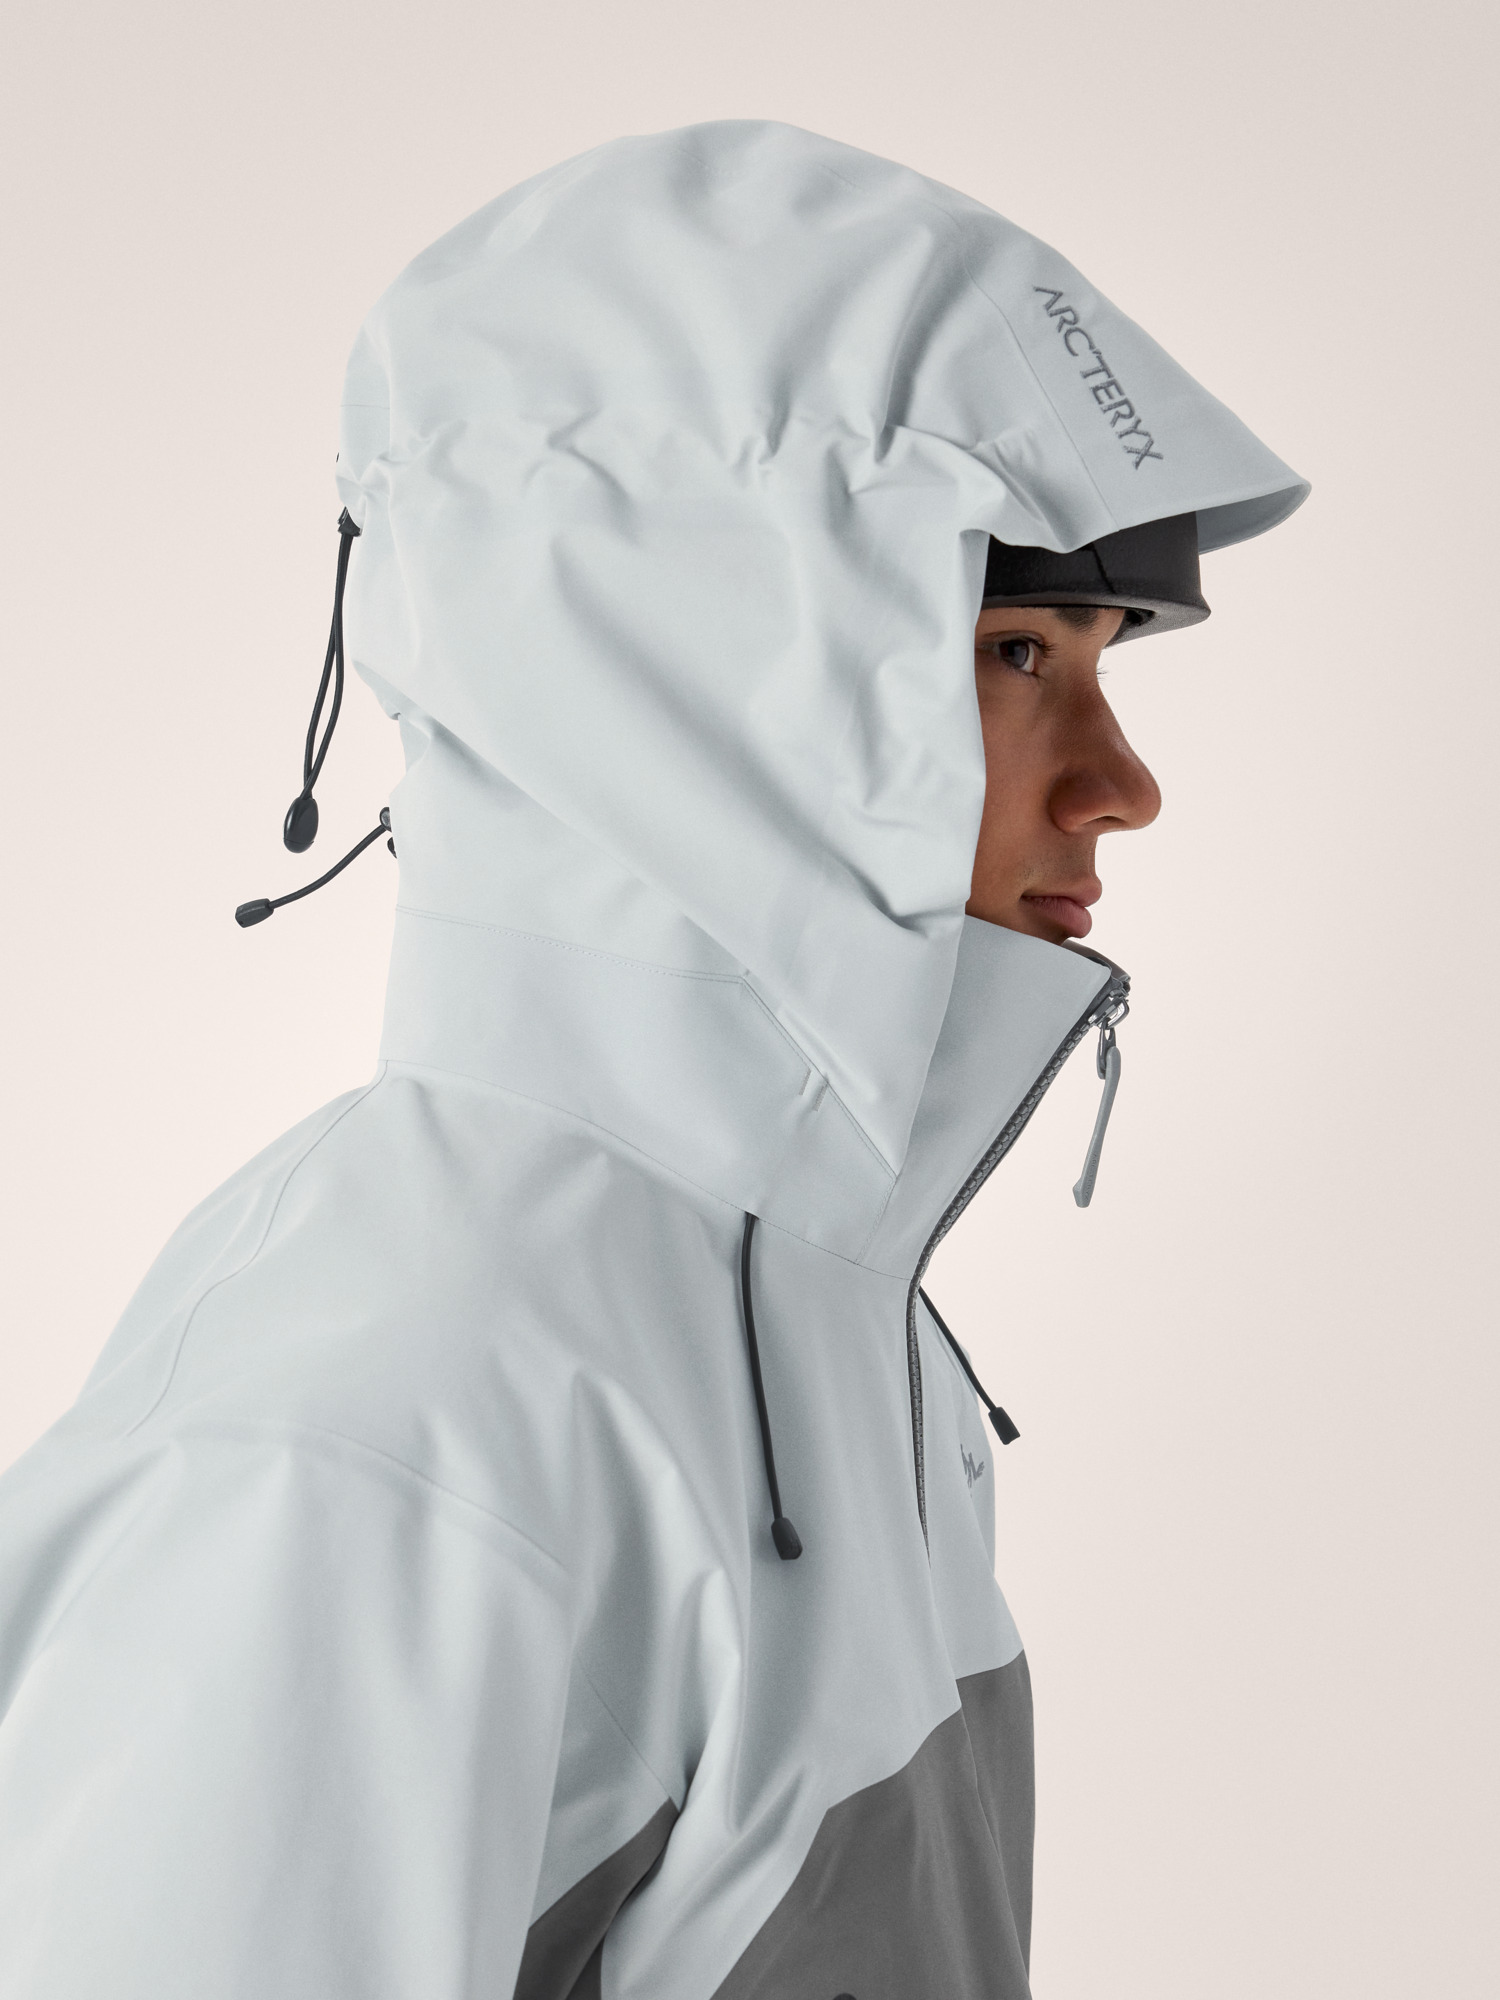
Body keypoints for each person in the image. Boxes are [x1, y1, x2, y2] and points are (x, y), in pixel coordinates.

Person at [0, 121, 1305, 1999]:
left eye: (1102, 662)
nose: (1124, 784)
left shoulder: (823, 1317)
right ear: (694, 678)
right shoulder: (386, 1424)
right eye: (1018, 652)